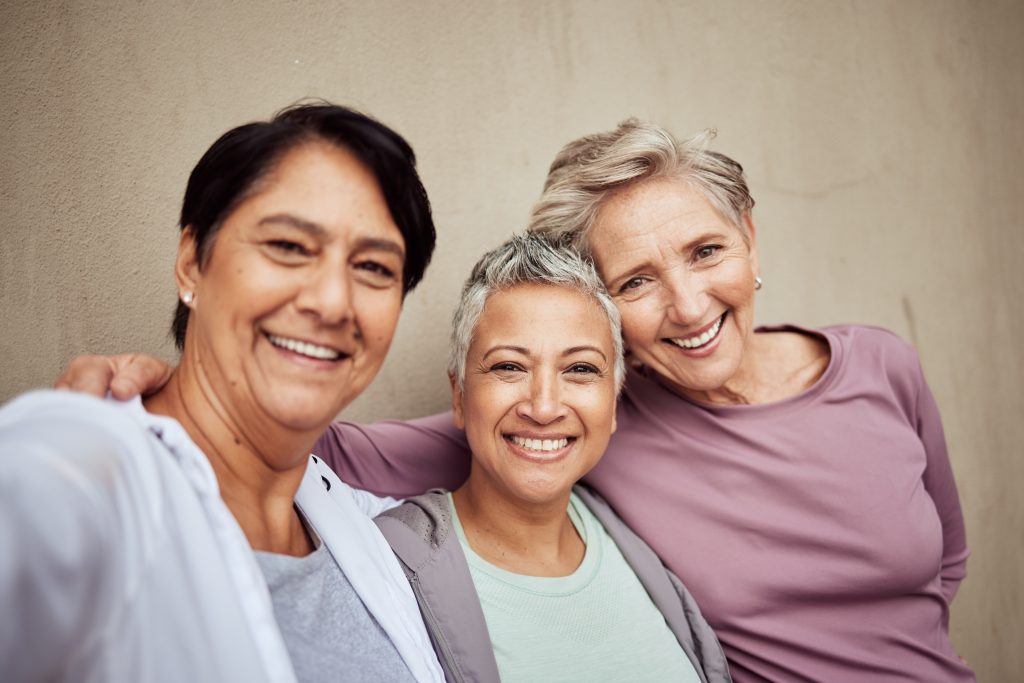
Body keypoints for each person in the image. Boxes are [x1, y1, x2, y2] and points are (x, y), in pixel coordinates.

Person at [56, 119, 975, 682]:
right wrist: (158, 384)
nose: (690, 304)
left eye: (706, 252)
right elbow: (299, 432)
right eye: (638, 280)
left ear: (750, 240)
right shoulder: (603, 422)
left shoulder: (880, 365)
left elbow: (944, 568)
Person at [0, 103, 444, 682]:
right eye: (288, 246)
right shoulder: (83, 471)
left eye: (374, 268)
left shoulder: (355, 521)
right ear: (192, 263)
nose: (333, 302)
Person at [375, 233, 730, 683]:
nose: (543, 408)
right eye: (509, 366)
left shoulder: (639, 545)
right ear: (459, 396)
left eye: (580, 369)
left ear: (614, 401)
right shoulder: (384, 567)